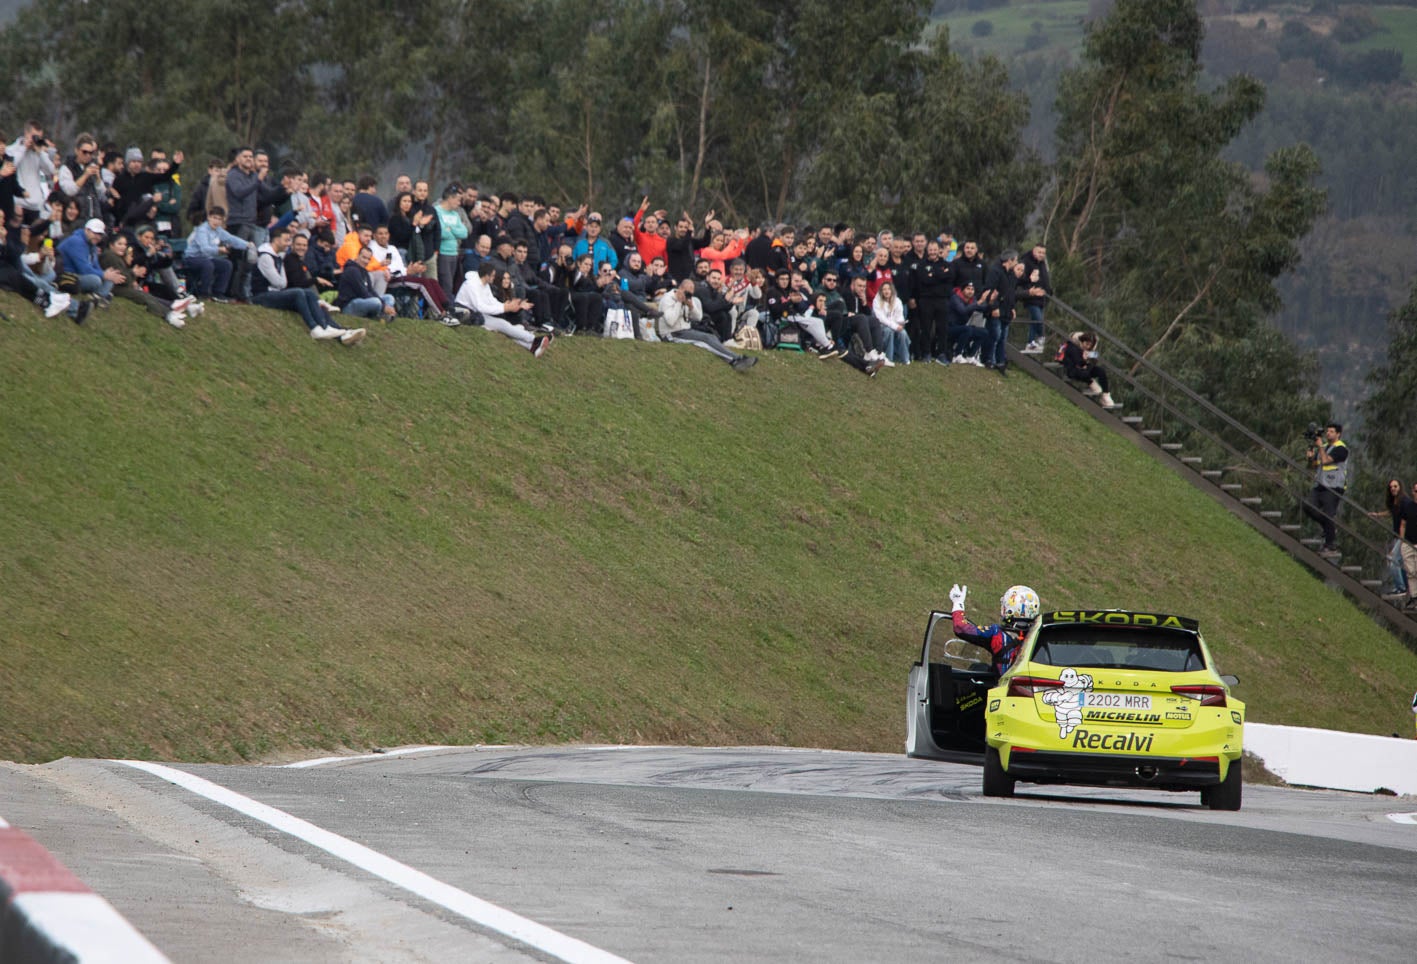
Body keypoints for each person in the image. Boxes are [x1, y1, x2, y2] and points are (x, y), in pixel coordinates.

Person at [253, 227, 365, 344]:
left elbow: (282, 282)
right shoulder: (267, 257)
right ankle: (315, 328)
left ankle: (340, 331)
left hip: (275, 292)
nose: (288, 244)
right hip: (263, 294)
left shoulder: (280, 256)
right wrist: (315, 280)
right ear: (276, 240)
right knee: (300, 292)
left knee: (309, 295)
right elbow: (281, 283)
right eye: (286, 240)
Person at [655, 278, 757, 371]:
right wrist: (679, 302)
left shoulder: (689, 298)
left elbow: (698, 317)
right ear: (680, 289)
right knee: (705, 339)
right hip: (671, 334)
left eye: (691, 293)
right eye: (687, 293)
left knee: (711, 336)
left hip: (685, 330)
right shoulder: (668, 299)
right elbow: (670, 322)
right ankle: (735, 360)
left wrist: (691, 307)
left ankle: (737, 358)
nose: (688, 296)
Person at [453, 261, 552, 356]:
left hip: (477, 314)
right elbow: (480, 307)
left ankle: (531, 346)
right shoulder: (471, 285)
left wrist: (505, 306)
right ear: (486, 275)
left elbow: (491, 301)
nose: (494, 278)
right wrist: (505, 308)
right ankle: (534, 340)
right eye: (492, 275)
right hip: (467, 315)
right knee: (502, 324)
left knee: (504, 327)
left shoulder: (485, 284)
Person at [948, 584, 1040, 676]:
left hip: (1001, 688)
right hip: (1030, 688)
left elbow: (960, 627)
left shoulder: (997, 634)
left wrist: (958, 603)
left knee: (978, 668)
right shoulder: (1040, 636)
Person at [1301, 422, 1349, 557]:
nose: (1328, 433)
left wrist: (1320, 446)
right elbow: (1315, 465)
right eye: (1327, 431)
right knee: (1307, 506)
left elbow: (1326, 461)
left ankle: (1330, 545)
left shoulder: (1341, 449)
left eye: (1332, 431)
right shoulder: (1325, 447)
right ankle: (1330, 529)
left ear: (1338, 434)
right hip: (1320, 485)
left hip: (1333, 487)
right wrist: (1310, 458)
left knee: (1328, 514)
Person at [1371, 479, 1411, 600]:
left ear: (1400, 487)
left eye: (1395, 486)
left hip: (1403, 536)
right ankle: (1406, 588)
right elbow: (1391, 512)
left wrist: (1403, 538)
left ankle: (1401, 587)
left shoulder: (1404, 501)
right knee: (1401, 563)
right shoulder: (1395, 502)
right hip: (1397, 536)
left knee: (1392, 559)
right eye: (1391, 487)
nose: (1393, 488)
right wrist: (1378, 515)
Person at [1060, 331, 1117, 409]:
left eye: (1090, 345)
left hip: (1083, 369)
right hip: (1073, 370)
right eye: (1086, 344)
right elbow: (1079, 363)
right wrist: (1086, 360)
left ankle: (1106, 395)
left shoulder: (1086, 350)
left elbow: (1090, 362)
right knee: (1085, 372)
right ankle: (1093, 385)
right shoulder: (1072, 347)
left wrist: (1090, 358)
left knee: (1101, 371)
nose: (1087, 347)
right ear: (1082, 341)